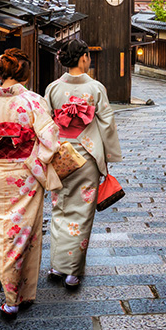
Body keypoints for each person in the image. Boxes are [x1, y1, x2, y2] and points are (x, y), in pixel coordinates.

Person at [0, 48, 62, 319]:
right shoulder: (33, 101)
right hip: (26, 175)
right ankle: (20, 295)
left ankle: (15, 297)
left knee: (3, 233)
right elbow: (50, 139)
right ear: (25, 74)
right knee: (27, 232)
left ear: (0, 72)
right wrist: (37, 158)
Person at [44, 39, 122, 288]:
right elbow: (107, 124)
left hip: (61, 156)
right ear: (83, 57)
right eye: (88, 56)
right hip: (87, 156)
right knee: (82, 214)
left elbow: (46, 124)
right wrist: (108, 157)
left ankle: (57, 266)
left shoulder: (53, 88)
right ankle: (72, 271)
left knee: (60, 209)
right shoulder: (95, 88)